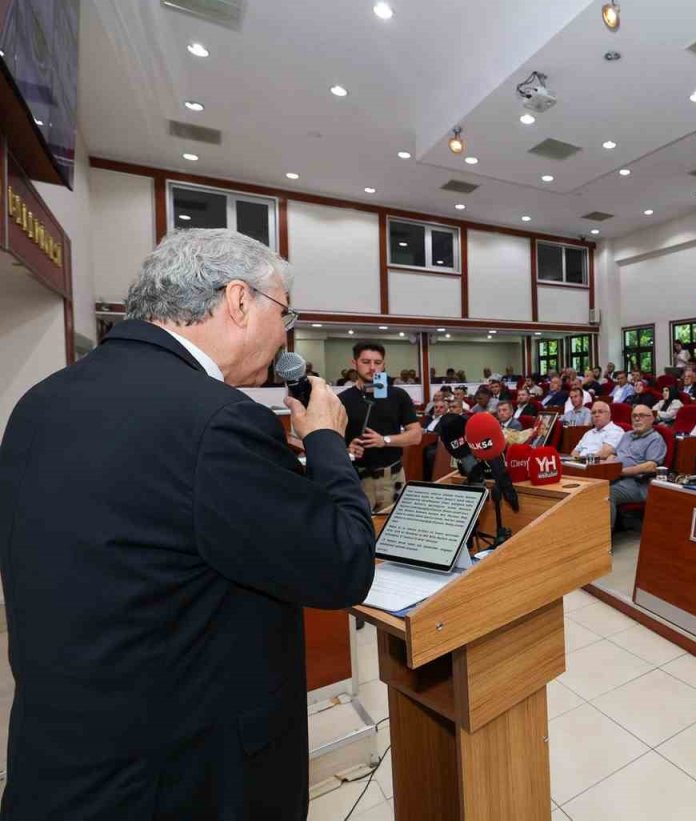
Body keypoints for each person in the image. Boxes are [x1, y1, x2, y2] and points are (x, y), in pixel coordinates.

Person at [0, 228, 375, 818]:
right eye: (285, 312)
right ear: (239, 300)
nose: (285, 335)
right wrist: (326, 438)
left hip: (61, 768)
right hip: (184, 782)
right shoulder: (214, 422)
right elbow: (342, 562)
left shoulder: (40, 403)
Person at [340, 342, 423, 510]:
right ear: (354, 363)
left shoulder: (398, 395)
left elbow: (416, 435)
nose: (372, 368)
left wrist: (384, 440)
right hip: (357, 479)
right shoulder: (342, 400)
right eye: (366, 362)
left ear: (384, 364)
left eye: (377, 363)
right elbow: (333, 440)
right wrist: (347, 449)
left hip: (392, 479)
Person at [602, 404, 668, 529]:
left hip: (636, 484)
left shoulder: (655, 439)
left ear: (651, 418)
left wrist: (620, 471)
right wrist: (607, 468)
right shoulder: (627, 435)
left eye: (642, 416)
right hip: (614, 476)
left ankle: (603, 541)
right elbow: (613, 454)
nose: (637, 419)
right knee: (590, 489)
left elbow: (651, 466)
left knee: (606, 495)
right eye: (634, 416)